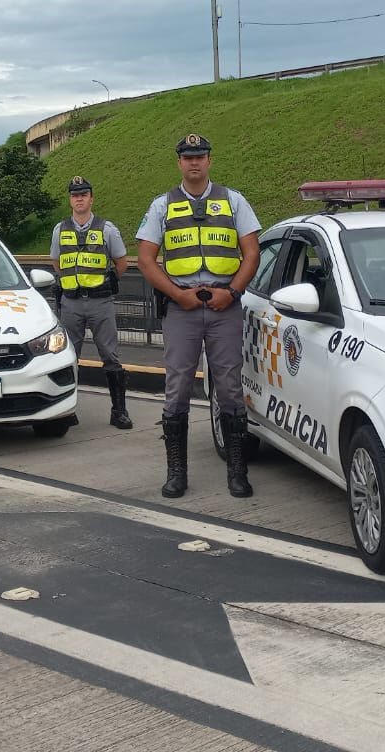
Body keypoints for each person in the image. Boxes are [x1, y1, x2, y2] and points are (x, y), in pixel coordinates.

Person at [135, 133, 262, 499]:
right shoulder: (162, 206)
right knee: (176, 389)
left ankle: (237, 471)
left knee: (230, 388)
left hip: (225, 306)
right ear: (179, 162)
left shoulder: (234, 201)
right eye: (187, 157)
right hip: (182, 309)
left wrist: (233, 292)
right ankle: (177, 473)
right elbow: (145, 259)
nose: (194, 162)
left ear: (209, 160)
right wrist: (177, 294)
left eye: (200, 156)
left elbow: (251, 253)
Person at [51, 175, 133, 429]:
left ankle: (119, 410)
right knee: (67, 357)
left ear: (91, 198)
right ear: (70, 199)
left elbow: (121, 262)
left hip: (100, 302)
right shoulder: (60, 229)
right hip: (71, 303)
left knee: (110, 355)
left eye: (83, 195)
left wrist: (106, 281)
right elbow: (56, 261)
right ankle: (67, 410)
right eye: (75, 195)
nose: (79, 199)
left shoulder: (107, 229)